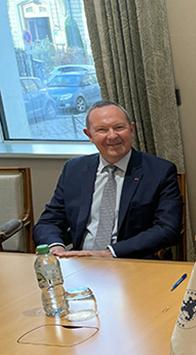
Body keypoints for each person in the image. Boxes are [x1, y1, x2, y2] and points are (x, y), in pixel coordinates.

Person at [33, 101, 183, 259]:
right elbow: (49, 221)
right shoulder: (74, 170)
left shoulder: (160, 171)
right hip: (80, 263)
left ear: (131, 130)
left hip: (131, 263)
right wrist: (56, 247)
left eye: (119, 127)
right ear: (89, 135)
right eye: (102, 130)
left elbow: (167, 228)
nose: (112, 136)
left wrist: (110, 253)